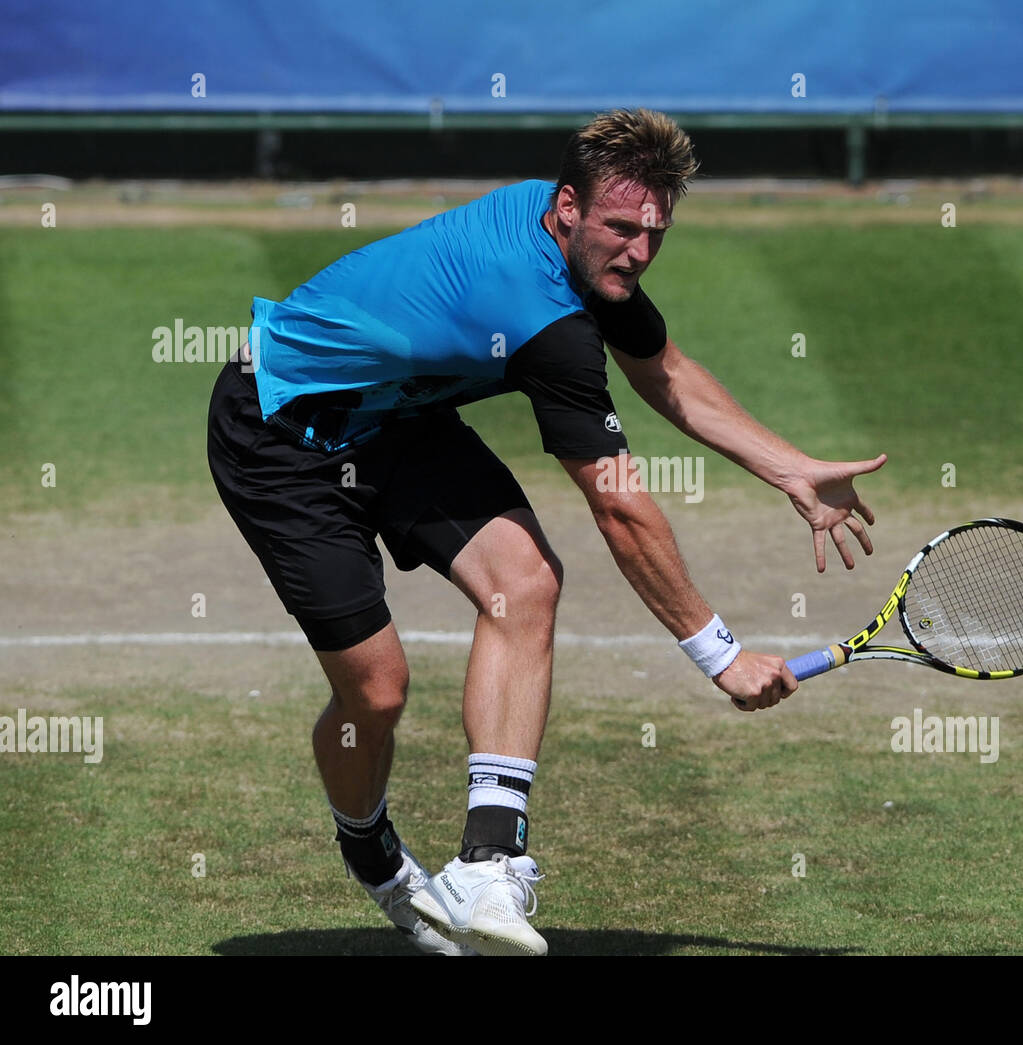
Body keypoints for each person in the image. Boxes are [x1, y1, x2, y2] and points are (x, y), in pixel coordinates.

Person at [207, 108, 886, 957]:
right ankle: (372, 852)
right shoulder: (541, 319)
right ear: (566, 206)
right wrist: (721, 655)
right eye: (619, 228)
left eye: (653, 233)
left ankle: (487, 862)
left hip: (394, 423)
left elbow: (665, 370)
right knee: (376, 692)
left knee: (524, 580)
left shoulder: (581, 254)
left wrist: (789, 466)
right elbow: (621, 506)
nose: (637, 251)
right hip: (279, 434)